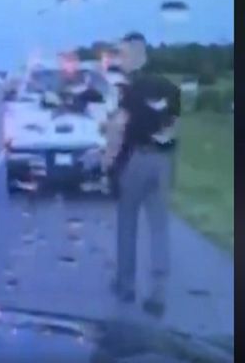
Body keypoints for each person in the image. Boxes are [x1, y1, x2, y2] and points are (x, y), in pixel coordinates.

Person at [107, 32, 181, 317]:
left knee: (127, 221)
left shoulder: (130, 89)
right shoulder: (170, 88)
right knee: (159, 226)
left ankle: (126, 286)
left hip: (137, 159)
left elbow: (119, 130)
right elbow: (172, 128)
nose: (121, 60)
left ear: (137, 56)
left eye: (124, 54)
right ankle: (158, 294)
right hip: (163, 161)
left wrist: (110, 163)